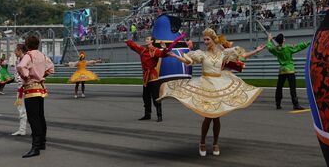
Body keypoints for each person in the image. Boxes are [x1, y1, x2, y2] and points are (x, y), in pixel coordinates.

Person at [162, 28, 265, 157]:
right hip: (205, 85)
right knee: (208, 116)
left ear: (213, 40)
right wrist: (174, 56)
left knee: (216, 117)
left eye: (208, 39)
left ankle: (216, 143)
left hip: (219, 84)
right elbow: (188, 61)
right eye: (204, 39)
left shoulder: (223, 54)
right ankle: (202, 142)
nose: (206, 42)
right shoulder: (202, 54)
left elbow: (241, 56)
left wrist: (257, 50)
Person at [16, 36, 54, 158]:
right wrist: (42, 75)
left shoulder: (28, 55)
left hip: (31, 88)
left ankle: (35, 146)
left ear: (27, 45)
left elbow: (20, 66)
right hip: (40, 88)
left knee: (33, 118)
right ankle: (42, 142)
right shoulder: (42, 55)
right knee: (40, 116)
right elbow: (51, 67)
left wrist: (27, 76)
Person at [125, 36, 167, 122]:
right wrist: (128, 41)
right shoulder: (143, 50)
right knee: (146, 97)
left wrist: (165, 48)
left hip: (153, 77)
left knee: (156, 97)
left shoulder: (155, 50)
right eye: (146, 39)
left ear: (152, 41)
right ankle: (147, 114)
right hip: (145, 77)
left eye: (148, 39)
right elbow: (135, 46)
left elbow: (163, 54)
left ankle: (159, 115)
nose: (146, 40)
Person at [266, 33, 309, 110]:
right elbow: (299, 47)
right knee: (292, 88)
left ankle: (278, 104)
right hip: (290, 70)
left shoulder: (275, 49)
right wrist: (308, 43)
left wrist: (269, 39)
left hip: (282, 70)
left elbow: (269, 47)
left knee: (279, 87)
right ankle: (295, 104)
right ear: (283, 40)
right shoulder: (288, 47)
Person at [11, 44, 28, 136]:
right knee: (20, 108)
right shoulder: (18, 60)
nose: (14, 52)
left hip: (26, 87)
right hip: (20, 88)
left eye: (16, 50)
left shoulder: (26, 60)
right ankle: (22, 129)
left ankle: (24, 129)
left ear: (20, 50)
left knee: (28, 109)